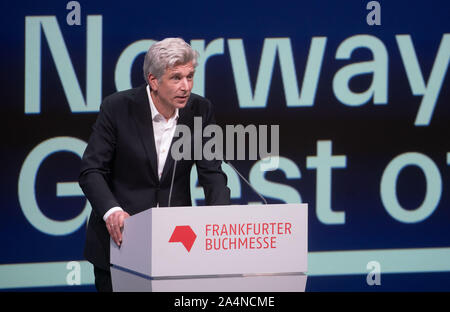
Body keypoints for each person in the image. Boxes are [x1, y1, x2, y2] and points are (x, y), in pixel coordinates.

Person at [79, 38, 231, 292]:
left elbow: (212, 172)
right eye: (176, 78)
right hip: (121, 244)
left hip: (175, 245)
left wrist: (220, 221)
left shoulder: (200, 110)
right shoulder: (117, 108)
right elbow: (91, 171)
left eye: (190, 76)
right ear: (153, 81)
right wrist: (111, 211)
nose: (186, 86)